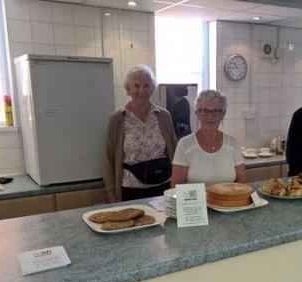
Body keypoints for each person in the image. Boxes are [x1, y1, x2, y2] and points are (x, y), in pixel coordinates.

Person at [104, 65, 177, 202]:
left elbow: (175, 151)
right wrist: (110, 192)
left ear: (153, 89)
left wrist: (178, 183)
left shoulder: (164, 116)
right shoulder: (117, 119)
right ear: (128, 89)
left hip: (164, 186)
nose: (141, 90)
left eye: (146, 85)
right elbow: (109, 158)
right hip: (131, 189)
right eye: (136, 86)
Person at [171, 90, 246, 186]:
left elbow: (242, 186)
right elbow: (176, 189)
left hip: (228, 200)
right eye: (204, 111)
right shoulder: (184, 145)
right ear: (197, 114)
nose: (209, 116)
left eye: (215, 111)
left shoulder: (232, 143)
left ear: (223, 114)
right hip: (196, 202)